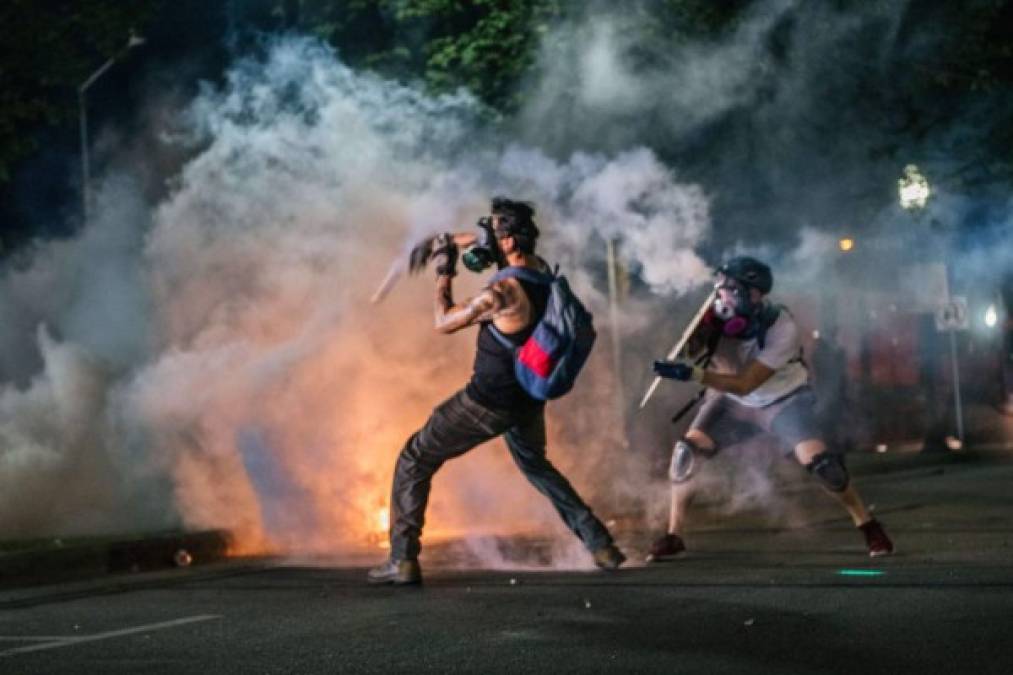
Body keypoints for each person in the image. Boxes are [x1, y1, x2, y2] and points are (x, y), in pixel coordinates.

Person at [368, 197, 625, 585]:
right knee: (537, 466)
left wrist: (443, 270)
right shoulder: (539, 272)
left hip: (488, 401)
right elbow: (487, 241)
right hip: (527, 398)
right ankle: (601, 544)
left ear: (506, 242)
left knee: (414, 458)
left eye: (492, 233)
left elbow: (443, 322)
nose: (483, 241)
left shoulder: (503, 291)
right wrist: (444, 241)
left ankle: (402, 560)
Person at [650, 256, 894, 560]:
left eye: (729, 288)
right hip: (730, 401)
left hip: (783, 400)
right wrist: (696, 345)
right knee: (685, 455)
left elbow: (745, 383)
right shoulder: (712, 316)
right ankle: (674, 536)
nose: (720, 294)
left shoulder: (781, 327)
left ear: (750, 294)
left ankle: (867, 524)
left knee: (825, 468)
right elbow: (697, 355)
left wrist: (694, 374)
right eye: (720, 287)